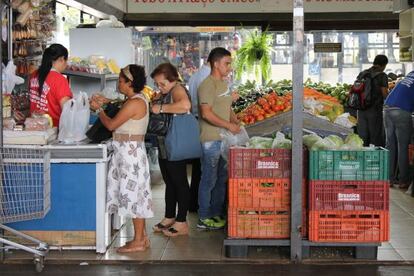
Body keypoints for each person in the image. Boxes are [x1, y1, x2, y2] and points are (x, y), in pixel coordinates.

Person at [90, 65, 153, 253]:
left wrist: (99, 109)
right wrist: (107, 101)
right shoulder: (134, 99)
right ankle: (142, 238)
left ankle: (139, 240)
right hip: (129, 153)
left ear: (130, 83)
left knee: (134, 197)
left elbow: (111, 124)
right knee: (135, 195)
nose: (118, 83)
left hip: (130, 156)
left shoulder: (135, 103)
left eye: (120, 80)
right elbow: (121, 105)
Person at [197, 47, 240, 230]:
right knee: (209, 179)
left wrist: (236, 121)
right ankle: (204, 216)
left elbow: (226, 107)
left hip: (224, 139)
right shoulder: (207, 85)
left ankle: (216, 213)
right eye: (226, 63)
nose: (229, 67)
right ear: (216, 64)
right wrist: (228, 125)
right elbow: (206, 113)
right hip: (211, 140)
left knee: (221, 178)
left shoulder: (223, 84)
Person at [150, 63, 192, 237]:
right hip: (165, 144)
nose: (160, 87)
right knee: (170, 181)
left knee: (180, 182)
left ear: (172, 79)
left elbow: (185, 106)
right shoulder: (168, 92)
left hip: (175, 144)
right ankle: (169, 217)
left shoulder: (177, 89)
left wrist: (160, 107)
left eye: (162, 84)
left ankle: (182, 222)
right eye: (158, 84)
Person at [383, 70, 414, 193]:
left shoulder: (410, 74)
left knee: (389, 146)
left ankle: (389, 179)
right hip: (401, 111)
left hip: (387, 109)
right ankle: (403, 181)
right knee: (403, 146)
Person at [187, 61, 211, 212]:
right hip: (204, 122)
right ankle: (199, 204)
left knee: (198, 166)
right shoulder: (207, 77)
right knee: (204, 166)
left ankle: (193, 202)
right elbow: (207, 106)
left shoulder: (194, 76)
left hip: (196, 120)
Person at [29, 43, 72, 127]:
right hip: (53, 128)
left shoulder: (34, 74)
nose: (66, 64)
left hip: (33, 126)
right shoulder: (59, 79)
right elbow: (67, 110)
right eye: (66, 60)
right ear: (62, 59)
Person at [356, 54, 389, 147]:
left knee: (362, 138)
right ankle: (375, 159)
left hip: (360, 109)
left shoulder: (363, 73)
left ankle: (362, 157)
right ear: (384, 65)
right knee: (375, 137)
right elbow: (385, 94)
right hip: (374, 110)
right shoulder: (382, 76)